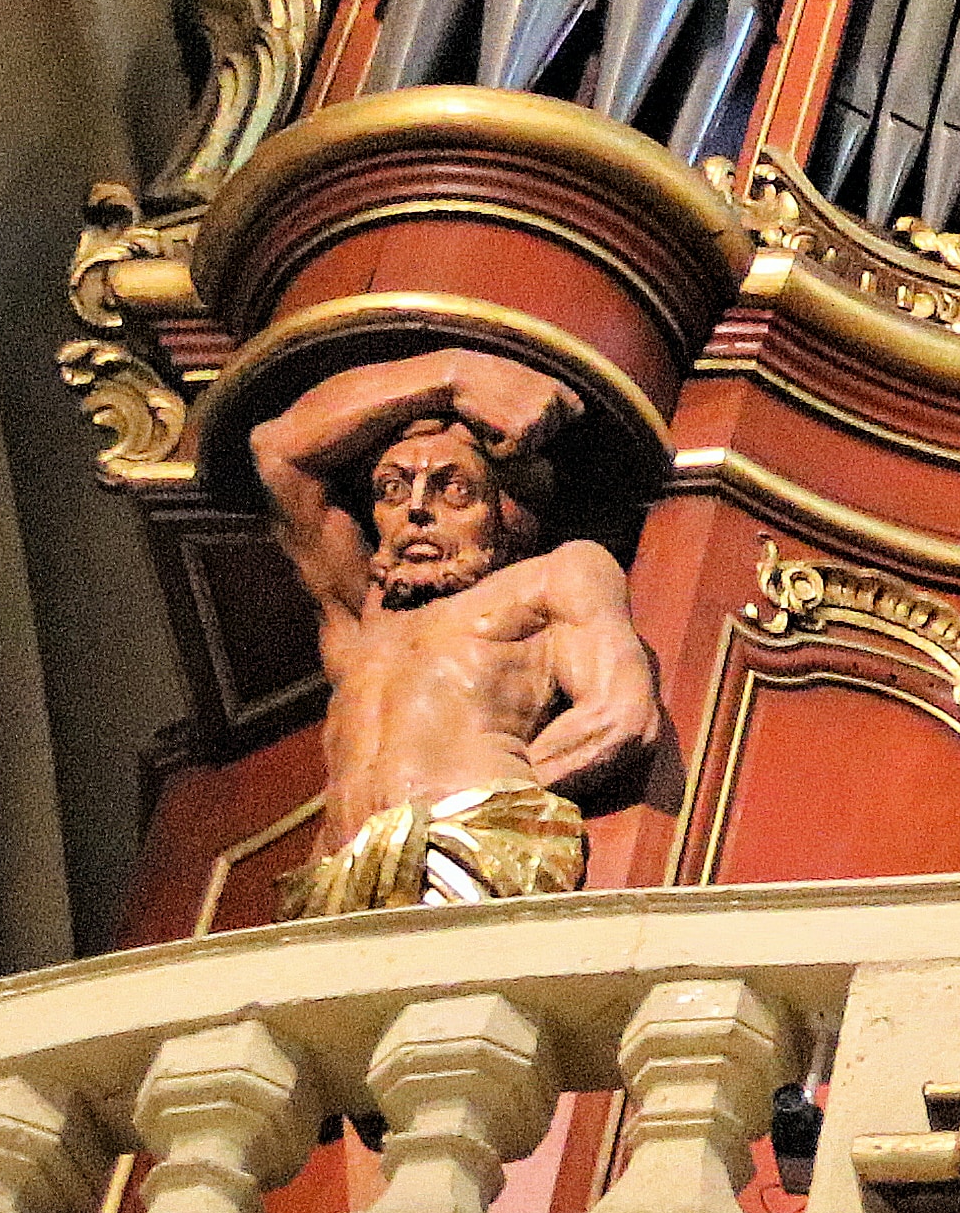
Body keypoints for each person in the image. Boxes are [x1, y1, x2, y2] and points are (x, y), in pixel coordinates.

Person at [250, 350, 672, 918]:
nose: (418, 510)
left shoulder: (551, 578)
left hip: (472, 855)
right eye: (394, 490)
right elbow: (276, 450)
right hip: (333, 881)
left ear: (505, 510)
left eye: (453, 491)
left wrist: (481, 802)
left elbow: (621, 715)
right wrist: (452, 377)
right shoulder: (363, 612)